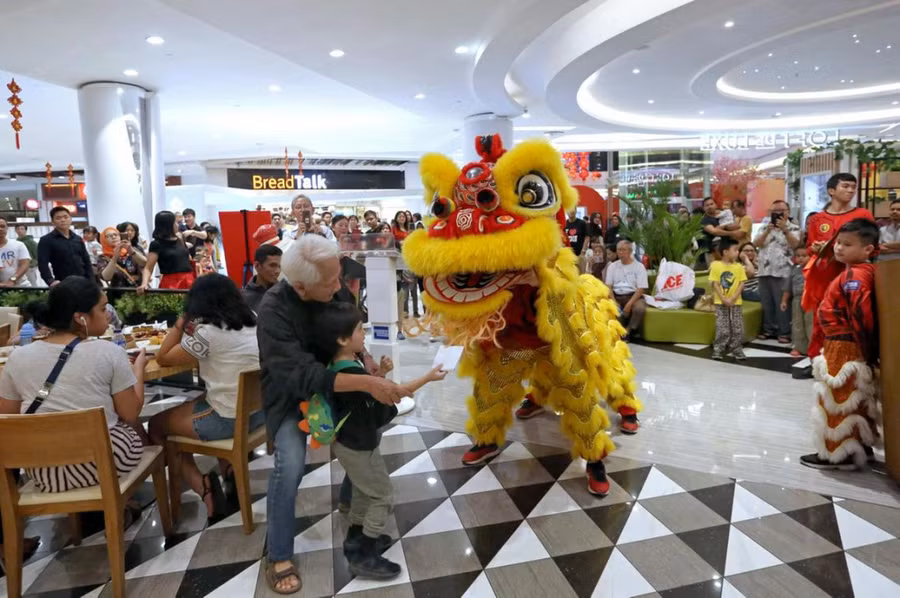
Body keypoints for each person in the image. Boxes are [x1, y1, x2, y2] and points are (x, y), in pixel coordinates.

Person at [256, 234, 410, 594]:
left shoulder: (333, 287)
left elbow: (348, 326)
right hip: (290, 394)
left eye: (338, 277)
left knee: (368, 431)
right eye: (329, 283)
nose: (339, 287)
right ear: (300, 286)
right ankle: (278, 553)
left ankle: (350, 502)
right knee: (290, 463)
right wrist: (365, 385)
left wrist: (366, 361)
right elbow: (299, 375)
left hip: (337, 385)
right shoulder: (274, 309)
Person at [313, 302, 445, 579]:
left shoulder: (340, 367)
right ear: (342, 339)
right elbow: (398, 392)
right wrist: (430, 377)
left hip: (349, 441)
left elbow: (367, 396)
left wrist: (380, 375)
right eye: (360, 329)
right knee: (382, 495)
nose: (364, 334)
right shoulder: (352, 372)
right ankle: (364, 553)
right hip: (358, 445)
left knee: (363, 491)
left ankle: (355, 539)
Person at [0, 277, 146, 492]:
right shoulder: (109, 352)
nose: (108, 315)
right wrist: (138, 369)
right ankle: (120, 506)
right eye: (103, 308)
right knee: (132, 429)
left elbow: (9, 417)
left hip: (46, 472)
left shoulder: (18, 357)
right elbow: (131, 412)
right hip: (104, 463)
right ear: (81, 318)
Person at [148, 274, 264, 520]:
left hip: (228, 421)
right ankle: (230, 470)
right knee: (198, 402)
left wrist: (181, 323)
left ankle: (203, 487)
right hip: (259, 416)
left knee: (157, 425)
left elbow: (164, 357)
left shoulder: (208, 333)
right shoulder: (252, 320)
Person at [800, 219, 880, 470]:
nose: (839, 249)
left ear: (868, 249)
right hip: (848, 344)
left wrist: (867, 350)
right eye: (838, 243)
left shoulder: (855, 276)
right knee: (857, 398)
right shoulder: (862, 272)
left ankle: (837, 454)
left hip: (844, 346)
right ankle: (859, 447)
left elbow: (861, 315)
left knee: (838, 399)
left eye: (847, 244)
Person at [804, 174, 875, 359]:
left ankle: (852, 360)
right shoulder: (817, 219)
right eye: (846, 186)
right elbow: (809, 248)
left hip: (852, 277)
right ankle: (817, 360)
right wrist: (815, 248)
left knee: (852, 317)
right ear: (831, 191)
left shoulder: (863, 215)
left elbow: (872, 247)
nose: (851, 190)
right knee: (821, 319)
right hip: (823, 276)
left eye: (853, 187)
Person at [753, 200, 800, 343]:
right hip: (764, 270)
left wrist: (785, 230)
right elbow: (756, 244)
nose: (778, 213)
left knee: (782, 303)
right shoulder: (764, 228)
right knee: (766, 302)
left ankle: (784, 332)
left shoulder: (794, 228)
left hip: (783, 271)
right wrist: (768, 230)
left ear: (788, 212)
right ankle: (768, 329)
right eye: (774, 211)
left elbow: (796, 245)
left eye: (782, 210)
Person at [709, 238, 748, 361]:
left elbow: (742, 284)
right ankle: (719, 348)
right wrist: (723, 298)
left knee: (737, 326)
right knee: (722, 326)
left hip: (736, 302)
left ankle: (736, 347)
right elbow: (715, 283)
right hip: (721, 302)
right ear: (725, 252)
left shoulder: (739, 267)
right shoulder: (715, 265)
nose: (738, 253)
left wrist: (733, 298)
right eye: (735, 250)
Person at [604, 239, 648, 341]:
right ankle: (615, 331)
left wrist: (629, 304)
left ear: (630, 251)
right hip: (616, 295)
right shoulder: (612, 266)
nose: (620, 253)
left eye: (623, 250)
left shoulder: (639, 267)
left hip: (633, 295)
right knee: (608, 306)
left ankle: (629, 330)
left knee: (639, 308)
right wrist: (614, 301)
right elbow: (608, 287)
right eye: (619, 250)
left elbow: (641, 289)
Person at [140, 211, 195, 291]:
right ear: (168, 225)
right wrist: (144, 284)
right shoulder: (156, 244)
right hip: (171, 283)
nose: (178, 225)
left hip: (189, 279)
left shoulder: (180, 239)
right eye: (175, 222)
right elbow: (148, 268)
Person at [37, 206, 93, 286]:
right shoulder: (46, 240)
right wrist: (50, 281)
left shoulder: (77, 239)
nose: (63, 220)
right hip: (63, 283)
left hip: (83, 282)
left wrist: (91, 281)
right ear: (53, 221)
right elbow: (43, 264)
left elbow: (86, 261)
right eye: (58, 218)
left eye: (65, 217)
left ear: (70, 219)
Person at [782, 246, 812, 357]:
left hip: (811, 299)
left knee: (810, 323)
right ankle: (799, 347)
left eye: (804, 256)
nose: (801, 258)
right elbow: (787, 287)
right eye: (798, 256)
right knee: (797, 323)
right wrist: (784, 301)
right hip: (797, 299)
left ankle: (812, 347)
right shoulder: (794, 270)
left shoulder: (814, 269)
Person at [242, 244, 283, 312]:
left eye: (279, 266)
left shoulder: (284, 293)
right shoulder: (244, 298)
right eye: (272, 265)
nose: (277, 271)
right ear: (257, 266)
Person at [0, 217, 33, 288]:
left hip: (22, 286)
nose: (0, 229)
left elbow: (25, 264)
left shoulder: (18, 245)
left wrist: (12, 280)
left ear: (7, 228)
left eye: (3, 226)